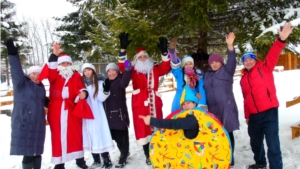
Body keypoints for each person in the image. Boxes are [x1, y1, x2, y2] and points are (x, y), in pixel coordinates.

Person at [240, 22, 293, 169]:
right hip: (254, 116)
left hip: (269, 112)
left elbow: (273, 53)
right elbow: (246, 99)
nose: (248, 61)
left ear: (255, 60)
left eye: (250, 59)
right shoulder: (243, 79)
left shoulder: (265, 68)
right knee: (255, 143)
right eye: (245, 60)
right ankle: (260, 163)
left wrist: (281, 39)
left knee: (272, 144)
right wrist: (247, 116)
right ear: (243, 63)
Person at [117, 32, 171, 165]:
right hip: (140, 104)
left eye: (144, 57)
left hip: (154, 103)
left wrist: (164, 53)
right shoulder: (133, 69)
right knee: (143, 129)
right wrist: (122, 50)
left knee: (156, 127)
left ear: (148, 58)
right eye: (139, 57)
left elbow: (166, 67)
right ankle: (148, 155)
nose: (142, 59)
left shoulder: (155, 68)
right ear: (136, 59)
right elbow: (123, 67)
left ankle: (158, 151)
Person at [43, 42, 88, 169]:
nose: (65, 65)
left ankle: (80, 160)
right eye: (63, 63)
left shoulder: (76, 75)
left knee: (75, 135)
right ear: (59, 64)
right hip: (56, 110)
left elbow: (81, 88)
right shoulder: (54, 74)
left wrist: (83, 93)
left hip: (72, 109)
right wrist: (54, 54)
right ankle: (59, 163)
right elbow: (50, 69)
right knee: (57, 136)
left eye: (68, 63)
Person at [6, 39, 49, 169]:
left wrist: (46, 101)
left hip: (38, 123)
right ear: (29, 74)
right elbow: (16, 69)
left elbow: (39, 101)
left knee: (37, 151)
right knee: (28, 153)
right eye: (33, 74)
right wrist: (12, 53)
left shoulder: (41, 87)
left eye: (38, 74)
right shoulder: (21, 84)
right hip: (25, 121)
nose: (36, 76)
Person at [203, 32, 239, 167]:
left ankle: (230, 158)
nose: (214, 64)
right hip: (212, 109)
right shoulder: (207, 75)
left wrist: (230, 46)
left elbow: (232, 60)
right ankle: (219, 156)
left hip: (226, 107)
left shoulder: (227, 71)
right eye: (212, 62)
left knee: (228, 132)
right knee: (215, 134)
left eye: (217, 61)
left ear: (221, 62)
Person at [81, 63, 115, 169]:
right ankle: (96, 160)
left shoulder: (99, 82)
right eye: (85, 71)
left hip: (97, 113)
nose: (87, 73)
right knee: (90, 136)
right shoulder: (81, 84)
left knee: (101, 135)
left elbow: (101, 98)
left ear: (93, 71)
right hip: (86, 114)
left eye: (89, 70)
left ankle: (107, 160)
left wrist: (105, 90)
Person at [103, 61, 132, 168]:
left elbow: (125, 81)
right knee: (115, 136)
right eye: (108, 71)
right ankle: (124, 152)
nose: (111, 73)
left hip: (119, 115)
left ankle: (124, 155)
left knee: (122, 137)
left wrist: (128, 69)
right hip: (108, 116)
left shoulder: (120, 81)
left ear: (117, 71)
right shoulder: (106, 82)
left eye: (113, 70)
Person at [168, 38, 206, 112]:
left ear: (193, 64)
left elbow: (201, 90)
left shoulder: (198, 75)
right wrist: (172, 52)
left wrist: (202, 104)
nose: (189, 66)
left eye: (190, 63)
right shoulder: (180, 74)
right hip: (180, 100)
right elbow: (175, 65)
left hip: (193, 101)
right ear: (183, 66)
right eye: (186, 64)